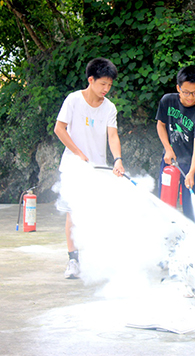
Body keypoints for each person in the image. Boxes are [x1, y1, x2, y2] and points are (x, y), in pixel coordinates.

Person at [54, 57, 125, 279]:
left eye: (110, 85)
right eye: (103, 84)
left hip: (99, 170)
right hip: (73, 168)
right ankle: (73, 261)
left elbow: (112, 135)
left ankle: (98, 261)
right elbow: (60, 129)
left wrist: (117, 159)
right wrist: (78, 153)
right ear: (91, 80)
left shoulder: (109, 107)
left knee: (99, 215)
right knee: (73, 215)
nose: (106, 89)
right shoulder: (74, 100)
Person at [156, 66, 195, 222]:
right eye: (186, 92)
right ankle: (166, 236)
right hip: (170, 161)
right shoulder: (167, 101)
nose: (190, 97)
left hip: (190, 165)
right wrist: (168, 149)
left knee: (191, 210)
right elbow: (160, 125)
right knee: (165, 203)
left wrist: (191, 172)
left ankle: (192, 241)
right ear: (178, 88)